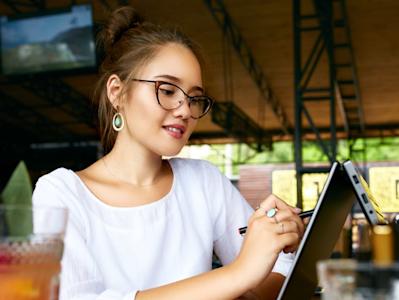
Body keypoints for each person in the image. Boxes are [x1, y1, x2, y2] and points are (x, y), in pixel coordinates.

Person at [32, 6, 305, 300]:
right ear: (117, 92)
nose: (185, 110)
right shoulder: (60, 194)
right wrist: (238, 275)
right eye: (167, 90)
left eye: (194, 98)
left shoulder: (202, 181)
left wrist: (276, 240)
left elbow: (280, 267)